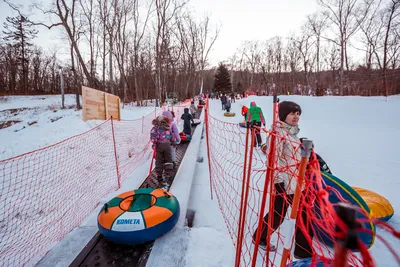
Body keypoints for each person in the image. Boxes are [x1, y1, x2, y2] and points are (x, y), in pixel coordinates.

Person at [253, 101, 313, 259]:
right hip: (284, 184)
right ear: (283, 115)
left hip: (297, 182)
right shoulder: (278, 133)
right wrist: (278, 183)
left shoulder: (292, 133)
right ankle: (259, 237)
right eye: (292, 113)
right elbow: (273, 160)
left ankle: (303, 251)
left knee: (304, 214)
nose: (296, 116)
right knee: (278, 214)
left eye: (298, 113)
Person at [150, 115, 174, 186]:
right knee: (168, 159)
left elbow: (153, 137)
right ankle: (168, 174)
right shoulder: (167, 127)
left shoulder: (155, 128)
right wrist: (172, 141)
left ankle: (159, 177)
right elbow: (170, 135)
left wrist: (154, 144)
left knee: (159, 161)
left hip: (159, 145)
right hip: (167, 145)